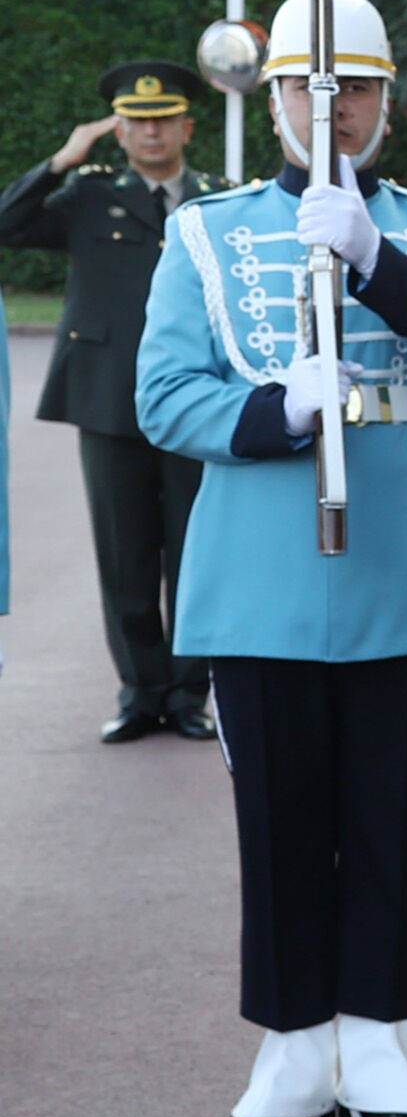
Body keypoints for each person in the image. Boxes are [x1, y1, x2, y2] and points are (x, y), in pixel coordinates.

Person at [136, 0, 407, 1117]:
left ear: (386, 98)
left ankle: (382, 1043)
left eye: (355, 85)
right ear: (273, 102)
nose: (333, 105)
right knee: (282, 822)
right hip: (263, 575)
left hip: (400, 568)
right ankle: (293, 1049)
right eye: (310, 86)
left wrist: (376, 260)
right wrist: (273, 409)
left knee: (390, 816)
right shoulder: (207, 232)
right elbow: (163, 395)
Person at [0, 62, 221, 741]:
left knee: (197, 552)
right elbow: (6, 223)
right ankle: (141, 693)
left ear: (186, 127)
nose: (151, 132)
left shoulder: (216, 200)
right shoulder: (87, 196)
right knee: (124, 554)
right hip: (107, 398)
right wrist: (60, 162)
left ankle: (190, 696)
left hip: (196, 401)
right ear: (118, 131)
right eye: (137, 121)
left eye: (164, 120)